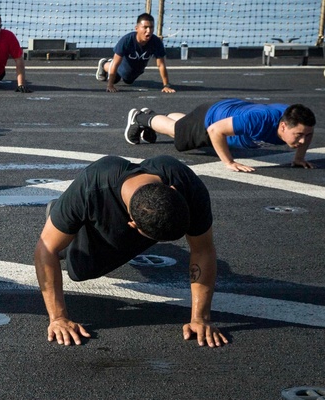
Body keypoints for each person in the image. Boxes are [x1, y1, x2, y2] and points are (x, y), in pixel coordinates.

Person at [34, 155, 226, 347]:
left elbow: (202, 250)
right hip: (99, 205)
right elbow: (45, 249)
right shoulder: (92, 187)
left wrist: (201, 318)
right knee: (81, 269)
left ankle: (64, 221)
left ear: (173, 189)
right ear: (132, 224)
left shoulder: (185, 182)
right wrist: (58, 318)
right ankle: (59, 217)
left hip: (133, 207)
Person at [125, 100, 316, 172]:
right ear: (282, 126)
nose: (302, 140)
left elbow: (307, 132)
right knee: (178, 133)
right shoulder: (259, 120)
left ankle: (161, 117)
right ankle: (141, 118)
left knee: (184, 125)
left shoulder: (294, 118)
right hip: (212, 119)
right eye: (298, 135)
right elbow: (216, 131)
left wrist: (299, 157)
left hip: (227, 117)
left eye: (305, 136)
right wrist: (229, 163)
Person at [96, 13, 175, 93]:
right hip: (123, 64)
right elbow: (116, 63)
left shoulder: (156, 42)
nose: (148, 31)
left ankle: (118, 71)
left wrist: (166, 86)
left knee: (128, 80)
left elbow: (161, 65)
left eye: (151, 27)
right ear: (137, 28)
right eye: (145, 27)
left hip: (137, 69)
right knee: (116, 78)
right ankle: (104, 64)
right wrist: (110, 85)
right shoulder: (127, 40)